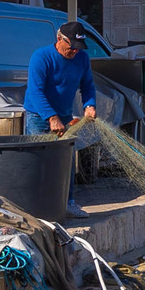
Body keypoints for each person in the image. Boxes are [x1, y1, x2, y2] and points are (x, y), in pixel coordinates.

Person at [24, 20, 96, 217]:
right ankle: (37, 207)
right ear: (59, 39)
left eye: (78, 48)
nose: (74, 51)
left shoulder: (82, 59)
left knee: (66, 160)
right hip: (39, 116)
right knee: (39, 160)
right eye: (71, 47)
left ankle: (68, 202)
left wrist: (90, 105)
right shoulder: (41, 57)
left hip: (64, 114)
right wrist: (51, 117)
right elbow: (35, 92)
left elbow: (88, 86)